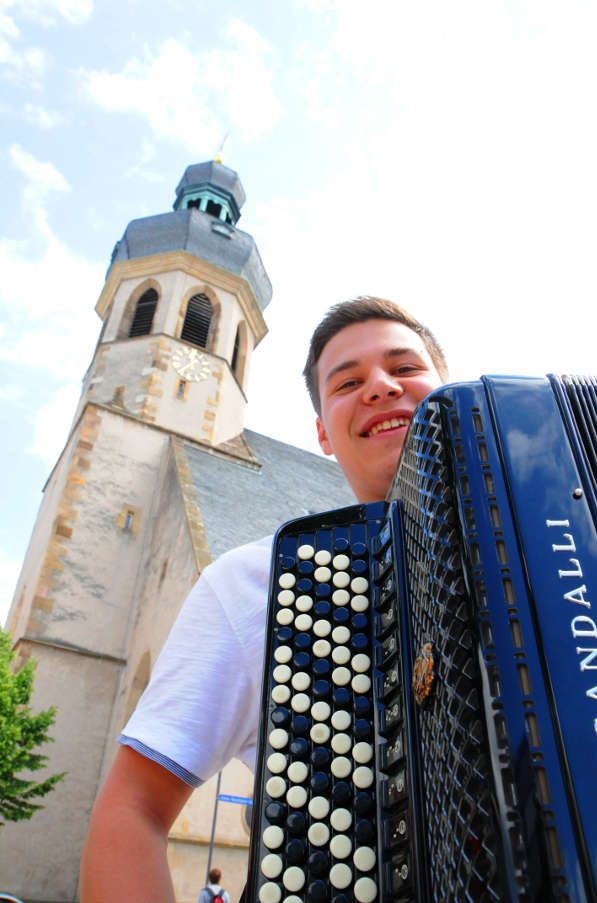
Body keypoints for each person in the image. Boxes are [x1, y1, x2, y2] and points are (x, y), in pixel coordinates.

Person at [80, 296, 449, 902]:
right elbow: (132, 809)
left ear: (447, 393)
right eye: (347, 382)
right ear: (323, 435)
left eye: (405, 369)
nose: (381, 387)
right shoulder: (261, 581)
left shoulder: (566, 535)